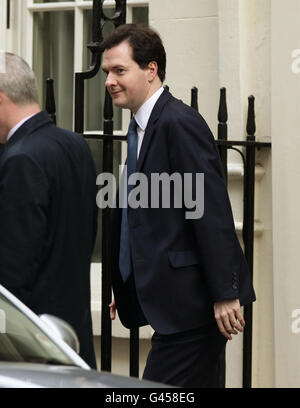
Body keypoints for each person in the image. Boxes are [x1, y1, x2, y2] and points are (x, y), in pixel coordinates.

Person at [101, 24, 256, 387]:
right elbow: (145, 216)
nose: (109, 80)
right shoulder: (140, 127)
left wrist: (224, 293)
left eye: (119, 70)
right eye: (107, 71)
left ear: (151, 70)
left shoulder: (178, 123)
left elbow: (210, 211)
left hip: (192, 309)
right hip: (170, 303)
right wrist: (128, 281)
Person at [0, 52, 97, 368]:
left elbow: (12, 272)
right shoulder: (75, 145)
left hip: (32, 348)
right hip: (73, 336)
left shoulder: (21, 160)